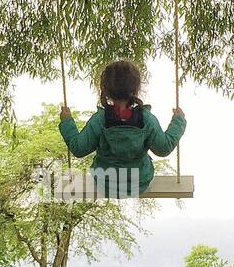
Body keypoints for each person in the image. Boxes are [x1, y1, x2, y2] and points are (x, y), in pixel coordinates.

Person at [59, 60, 185, 198]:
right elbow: (164, 148)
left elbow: (79, 148)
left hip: (105, 183)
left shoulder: (100, 120)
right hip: (139, 183)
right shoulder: (146, 119)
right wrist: (178, 122)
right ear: (136, 90)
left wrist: (67, 122)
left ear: (104, 90)